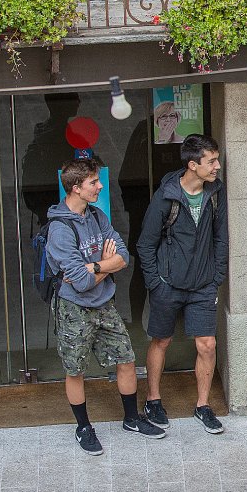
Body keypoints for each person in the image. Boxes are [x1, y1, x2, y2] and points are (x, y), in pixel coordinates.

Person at [46, 159, 165, 455]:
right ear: (76, 187)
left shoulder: (97, 216)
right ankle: (83, 427)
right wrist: (104, 267)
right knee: (75, 370)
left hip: (104, 305)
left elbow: (123, 256)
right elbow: (79, 282)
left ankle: (131, 419)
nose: (100, 186)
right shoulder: (60, 229)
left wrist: (96, 265)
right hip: (73, 309)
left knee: (125, 358)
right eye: (93, 182)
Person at [136, 134, 228, 434]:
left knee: (207, 344)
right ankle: (153, 399)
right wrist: (156, 283)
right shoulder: (167, 196)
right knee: (161, 340)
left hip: (203, 284)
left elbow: (221, 237)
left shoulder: (215, 192)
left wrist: (216, 278)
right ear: (193, 164)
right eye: (211, 161)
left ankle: (203, 405)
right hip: (168, 284)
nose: (217, 166)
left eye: (216, 159)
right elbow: (145, 244)